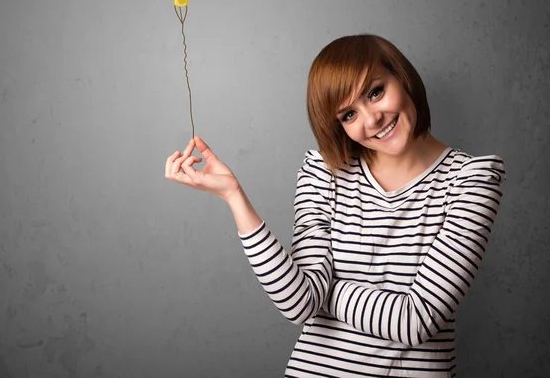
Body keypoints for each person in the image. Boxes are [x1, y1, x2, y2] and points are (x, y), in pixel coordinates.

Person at [165, 34, 506, 377]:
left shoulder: (471, 179)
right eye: (349, 114)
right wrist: (233, 195)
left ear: (401, 77)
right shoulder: (324, 172)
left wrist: (325, 293)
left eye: (375, 92)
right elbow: (298, 304)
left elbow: (414, 321)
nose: (372, 119)